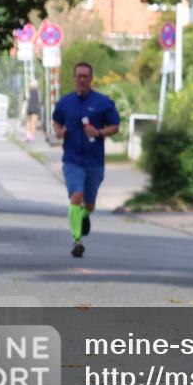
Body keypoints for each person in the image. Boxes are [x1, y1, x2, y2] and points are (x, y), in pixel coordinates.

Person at [52, 62, 120, 258]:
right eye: (79, 76)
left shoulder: (102, 102)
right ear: (74, 78)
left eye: (86, 76)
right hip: (72, 160)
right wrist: (59, 131)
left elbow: (115, 126)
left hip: (94, 161)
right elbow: (57, 120)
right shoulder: (65, 102)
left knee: (89, 204)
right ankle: (77, 239)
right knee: (76, 196)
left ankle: (84, 216)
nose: (82, 79)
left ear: (91, 79)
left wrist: (98, 132)